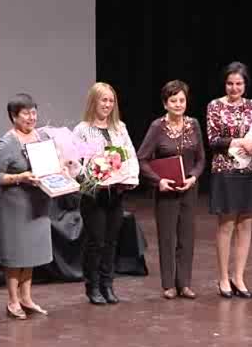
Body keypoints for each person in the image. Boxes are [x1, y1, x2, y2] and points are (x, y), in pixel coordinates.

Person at [0, 93, 53, 319]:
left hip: (37, 203)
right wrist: (19, 178)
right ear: (14, 116)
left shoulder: (41, 137)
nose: (31, 117)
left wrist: (62, 167)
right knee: (16, 254)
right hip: (14, 205)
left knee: (30, 252)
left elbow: (49, 164)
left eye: (34, 112)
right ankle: (13, 301)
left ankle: (27, 298)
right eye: (26, 113)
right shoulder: (7, 142)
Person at [137, 80, 205, 300]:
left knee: (187, 236)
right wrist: (158, 181)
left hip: (188, 189)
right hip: (166, 190)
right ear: (165, 104)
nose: (178, 104)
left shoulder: (193, 124)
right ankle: (168, 284)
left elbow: (201, 159)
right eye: (173, 101)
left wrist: (194, 177)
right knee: (167, 237)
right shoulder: (157, 127)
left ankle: (184, 283)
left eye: (182, 100)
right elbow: (142, 159)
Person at [73, 82, 139, 305]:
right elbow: (75, 164)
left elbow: (130, 156)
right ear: (94, 101)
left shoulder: (119, 128)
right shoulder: (82, 130)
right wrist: (92, 178)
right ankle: (92, 287)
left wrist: (130, 178)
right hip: (94, 195)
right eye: (104, 100)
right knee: (96, 241)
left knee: (111, 241)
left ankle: (107, 284)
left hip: (116, 193)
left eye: (111, 101)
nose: (108, 105)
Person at [206, 61, 252, 299]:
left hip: (250, 171)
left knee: (246, 223)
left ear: (245, 84)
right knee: (227, 224)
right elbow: (213, 139)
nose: (234, 88)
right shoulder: (215, 106)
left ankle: (239, 277)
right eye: (230, 83)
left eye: (238, 83)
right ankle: (223, 278)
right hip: (225, 169)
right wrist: (240, 142)